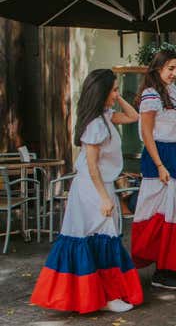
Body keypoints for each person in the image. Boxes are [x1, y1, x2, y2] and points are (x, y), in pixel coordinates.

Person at [32, 70, 142, 313]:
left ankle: (103, 295)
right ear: (101, 93)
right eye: (113, 90)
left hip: (101, 185)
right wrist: (104, 198)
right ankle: (107, 296)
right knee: (102, 236)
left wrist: (118, 95)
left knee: (100, 238)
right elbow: (92, 166)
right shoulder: (94, 125)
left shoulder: (106, 116)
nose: (116, 94)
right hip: (93, 188)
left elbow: (134, 117)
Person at [132, 49, 176, 290]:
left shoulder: (173, 91)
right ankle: (161, 270)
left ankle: (175, 266)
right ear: (158, 68)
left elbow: (170, 126)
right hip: (160, 156)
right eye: (170, 68)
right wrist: (160, 164)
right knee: (163, 213)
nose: (174, 73)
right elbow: (147, 133)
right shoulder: (151, 95)